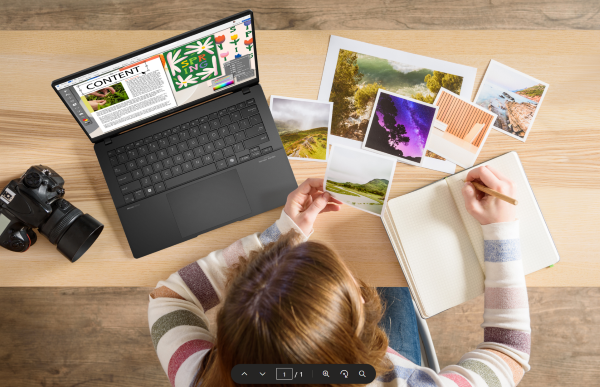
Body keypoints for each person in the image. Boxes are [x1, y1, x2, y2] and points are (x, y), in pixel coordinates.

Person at [148, 166, 530, 387]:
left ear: (230, 337)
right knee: (395, 282)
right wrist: (502, 230)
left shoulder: (200, 376)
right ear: (359, 311)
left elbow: (169, 296)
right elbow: (508, 351)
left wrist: (281, 236)